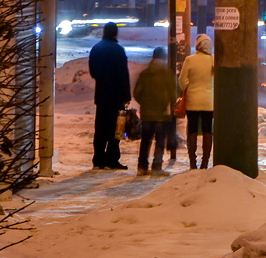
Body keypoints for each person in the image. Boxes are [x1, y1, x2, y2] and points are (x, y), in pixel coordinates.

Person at [89, 22, 131, 170]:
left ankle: (99, 158)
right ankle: (113, 158)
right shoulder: (119, 50)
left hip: (101, 95)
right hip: (116, 96)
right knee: (116, 129)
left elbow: (93, 71)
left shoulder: (96, 49)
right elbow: (123, 75)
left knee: (100, 127)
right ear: (115, 33)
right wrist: (126, 95)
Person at [132, 46, 177, 176]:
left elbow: (137, 93)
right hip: (162, 114)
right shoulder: (168, 74)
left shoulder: (145, 73)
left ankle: (142, 166)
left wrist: (145, 103)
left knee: (145, 140)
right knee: (160, 140)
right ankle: (157, 166)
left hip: (146, 113)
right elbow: (174, 94)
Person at [179, 33, 214, 170]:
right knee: (207, 130)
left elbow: (182, 81)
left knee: (192, 130)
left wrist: (190, 86)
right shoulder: (213, 60)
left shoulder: (190, 60)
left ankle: (192, 162)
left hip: (193, 101)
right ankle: (205, 162)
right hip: (208, 101)